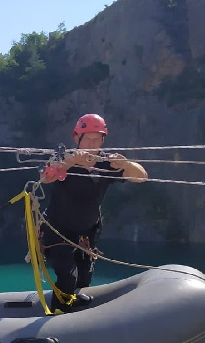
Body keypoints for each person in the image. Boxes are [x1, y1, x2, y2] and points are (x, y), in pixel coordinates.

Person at [39, 114, 147, 314]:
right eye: (87, 138)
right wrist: (70, 162)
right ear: (77, 139)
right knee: (68, 277)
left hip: (87, 233)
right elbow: (45, 178)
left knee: (84, 277)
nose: (92, 143)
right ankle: (58, 314)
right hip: (58, 230)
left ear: (103, 141)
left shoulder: (106, 164)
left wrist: (126, 165)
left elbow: (141, 177)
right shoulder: (63, 158)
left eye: (97, 139)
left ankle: (76, 308)